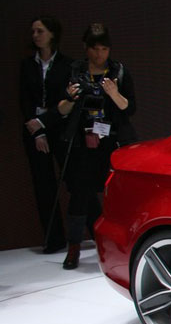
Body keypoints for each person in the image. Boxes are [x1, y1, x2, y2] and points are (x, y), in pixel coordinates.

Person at [57, 23, 136, 269]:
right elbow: (61, 110)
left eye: (104, 48)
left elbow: (129, 108)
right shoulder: (75, 71)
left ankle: (122, 247)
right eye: (94, 48)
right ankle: (74, 248)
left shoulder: (118, 71)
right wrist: (71, 97)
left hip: (112, 141)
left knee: (116, 195)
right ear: (86, 48)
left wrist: (113, 92)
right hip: (82, 142)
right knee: (79, 195)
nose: (99, 53)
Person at [19, 16, 73, 254]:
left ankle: (86, 234)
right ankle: (54, 239)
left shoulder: (66, 64)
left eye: (40, 31)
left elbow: (66, 101)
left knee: (73, 181)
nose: (35, 36)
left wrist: (45, 122)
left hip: (59, 128)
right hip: (34, 130)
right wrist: (37, 130)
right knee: (43, 185)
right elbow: (24, 100)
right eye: (33, 31)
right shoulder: (27, 65)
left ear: (52, 34)